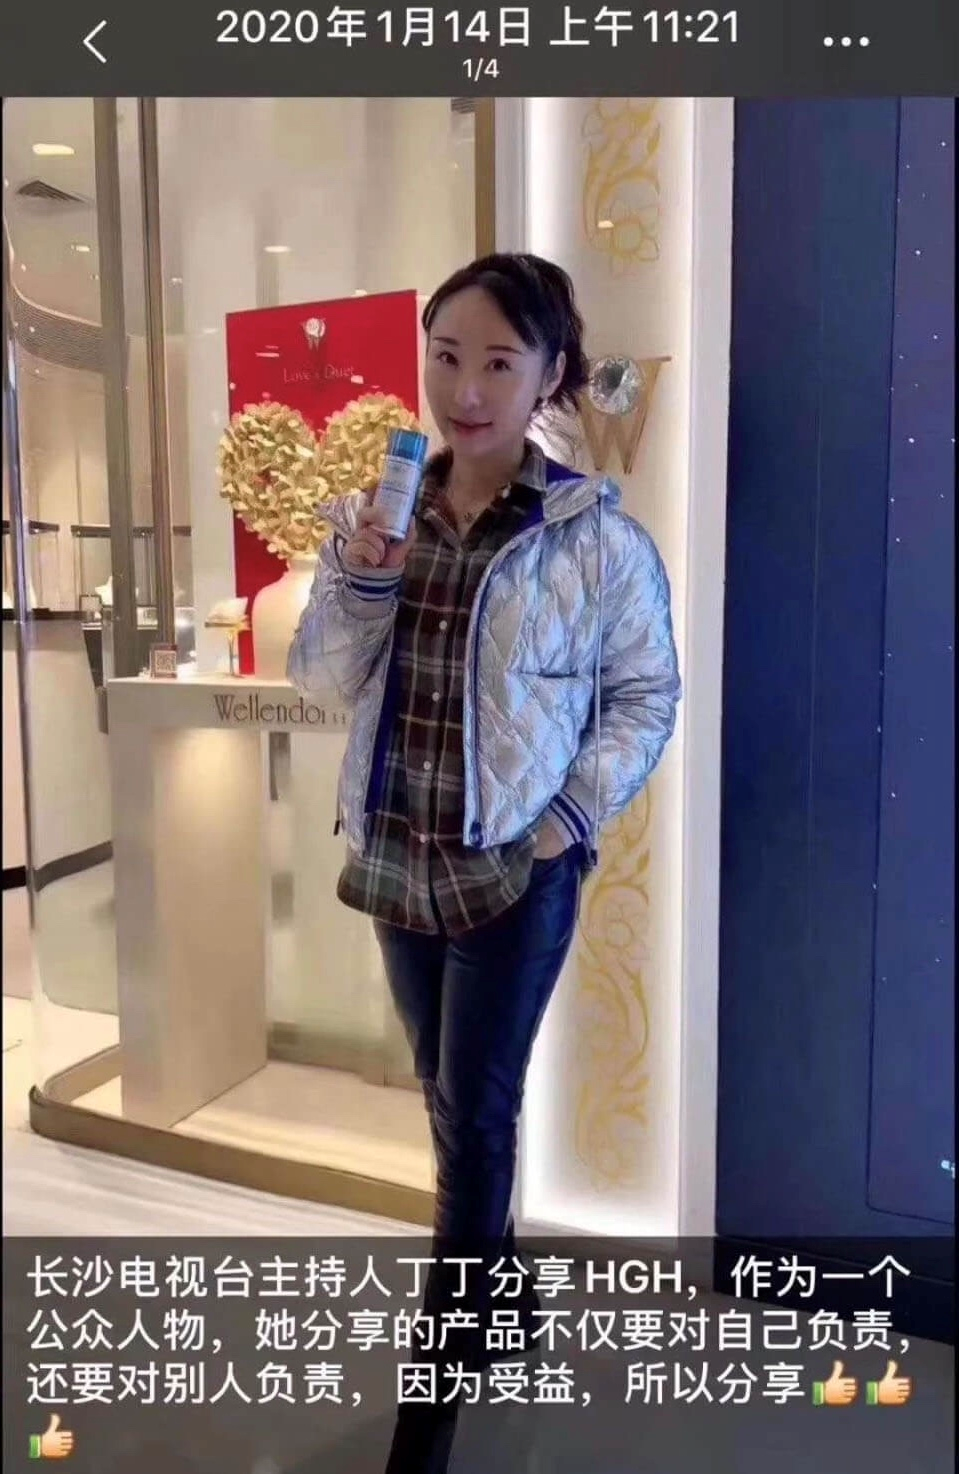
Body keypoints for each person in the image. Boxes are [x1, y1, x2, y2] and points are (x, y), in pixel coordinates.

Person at [288, 251, 681, 1472]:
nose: (464, 390)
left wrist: (567, 813)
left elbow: (644, 694)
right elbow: (320, 680)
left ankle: (430, 1411)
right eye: (445, 356)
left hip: (514, 875)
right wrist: (360, 579)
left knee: (476, 1124)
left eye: (498, 363)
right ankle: (502, 1300)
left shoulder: (591, 539)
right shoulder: (380, 516)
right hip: (397, 865)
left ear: (549, 375)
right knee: (448, 1100)